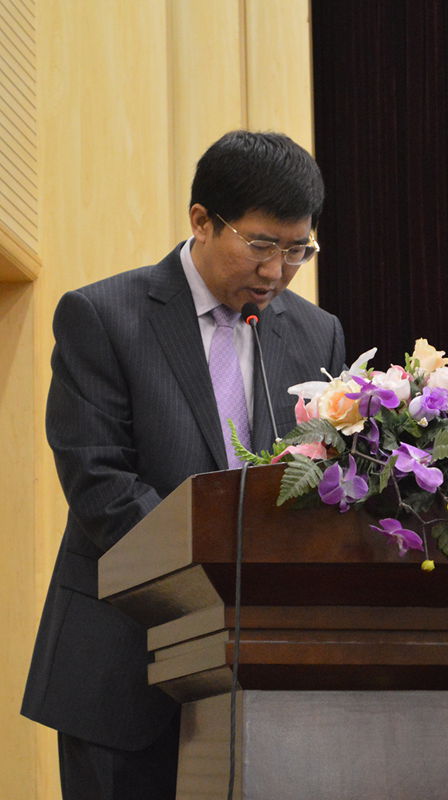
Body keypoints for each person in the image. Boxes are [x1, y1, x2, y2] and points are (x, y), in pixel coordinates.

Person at [21, 130, 346, 800]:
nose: (276, 272)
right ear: (201, 220)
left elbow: (324, 484)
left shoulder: (317, 333)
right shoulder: (102, 316)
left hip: (262, 674)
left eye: (297, 250)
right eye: (261, 245)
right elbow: (101, 485)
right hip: (123, 664)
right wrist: (216, 584)